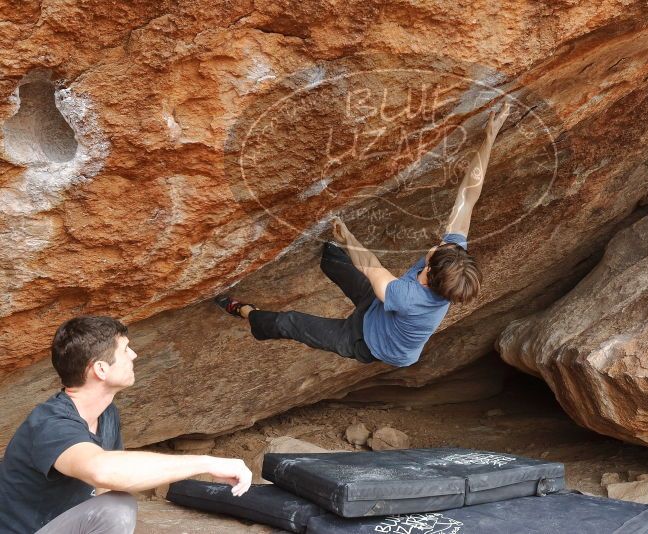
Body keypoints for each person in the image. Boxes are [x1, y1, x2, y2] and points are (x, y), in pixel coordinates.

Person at [216, 101, 511, 368]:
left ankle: (246, 313)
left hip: (367, 342)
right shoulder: (449, 266)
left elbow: (370, 266)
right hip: (379, 309)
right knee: (333, 259)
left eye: (434, 253)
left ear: (429, 273)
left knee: (290, 322)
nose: (436, 247)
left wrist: (347, 237)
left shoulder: (407, 297)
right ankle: (330, 253)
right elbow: (468, 196)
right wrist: (489, 138)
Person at [0, 316, 252, 534]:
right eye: (125, 350)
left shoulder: (107, 414)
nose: (134, 355)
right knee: (117, 508)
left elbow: (105, 486)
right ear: (100, 369)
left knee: (113, 500)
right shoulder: (51, 423)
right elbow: (102, 470)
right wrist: (208, 463)